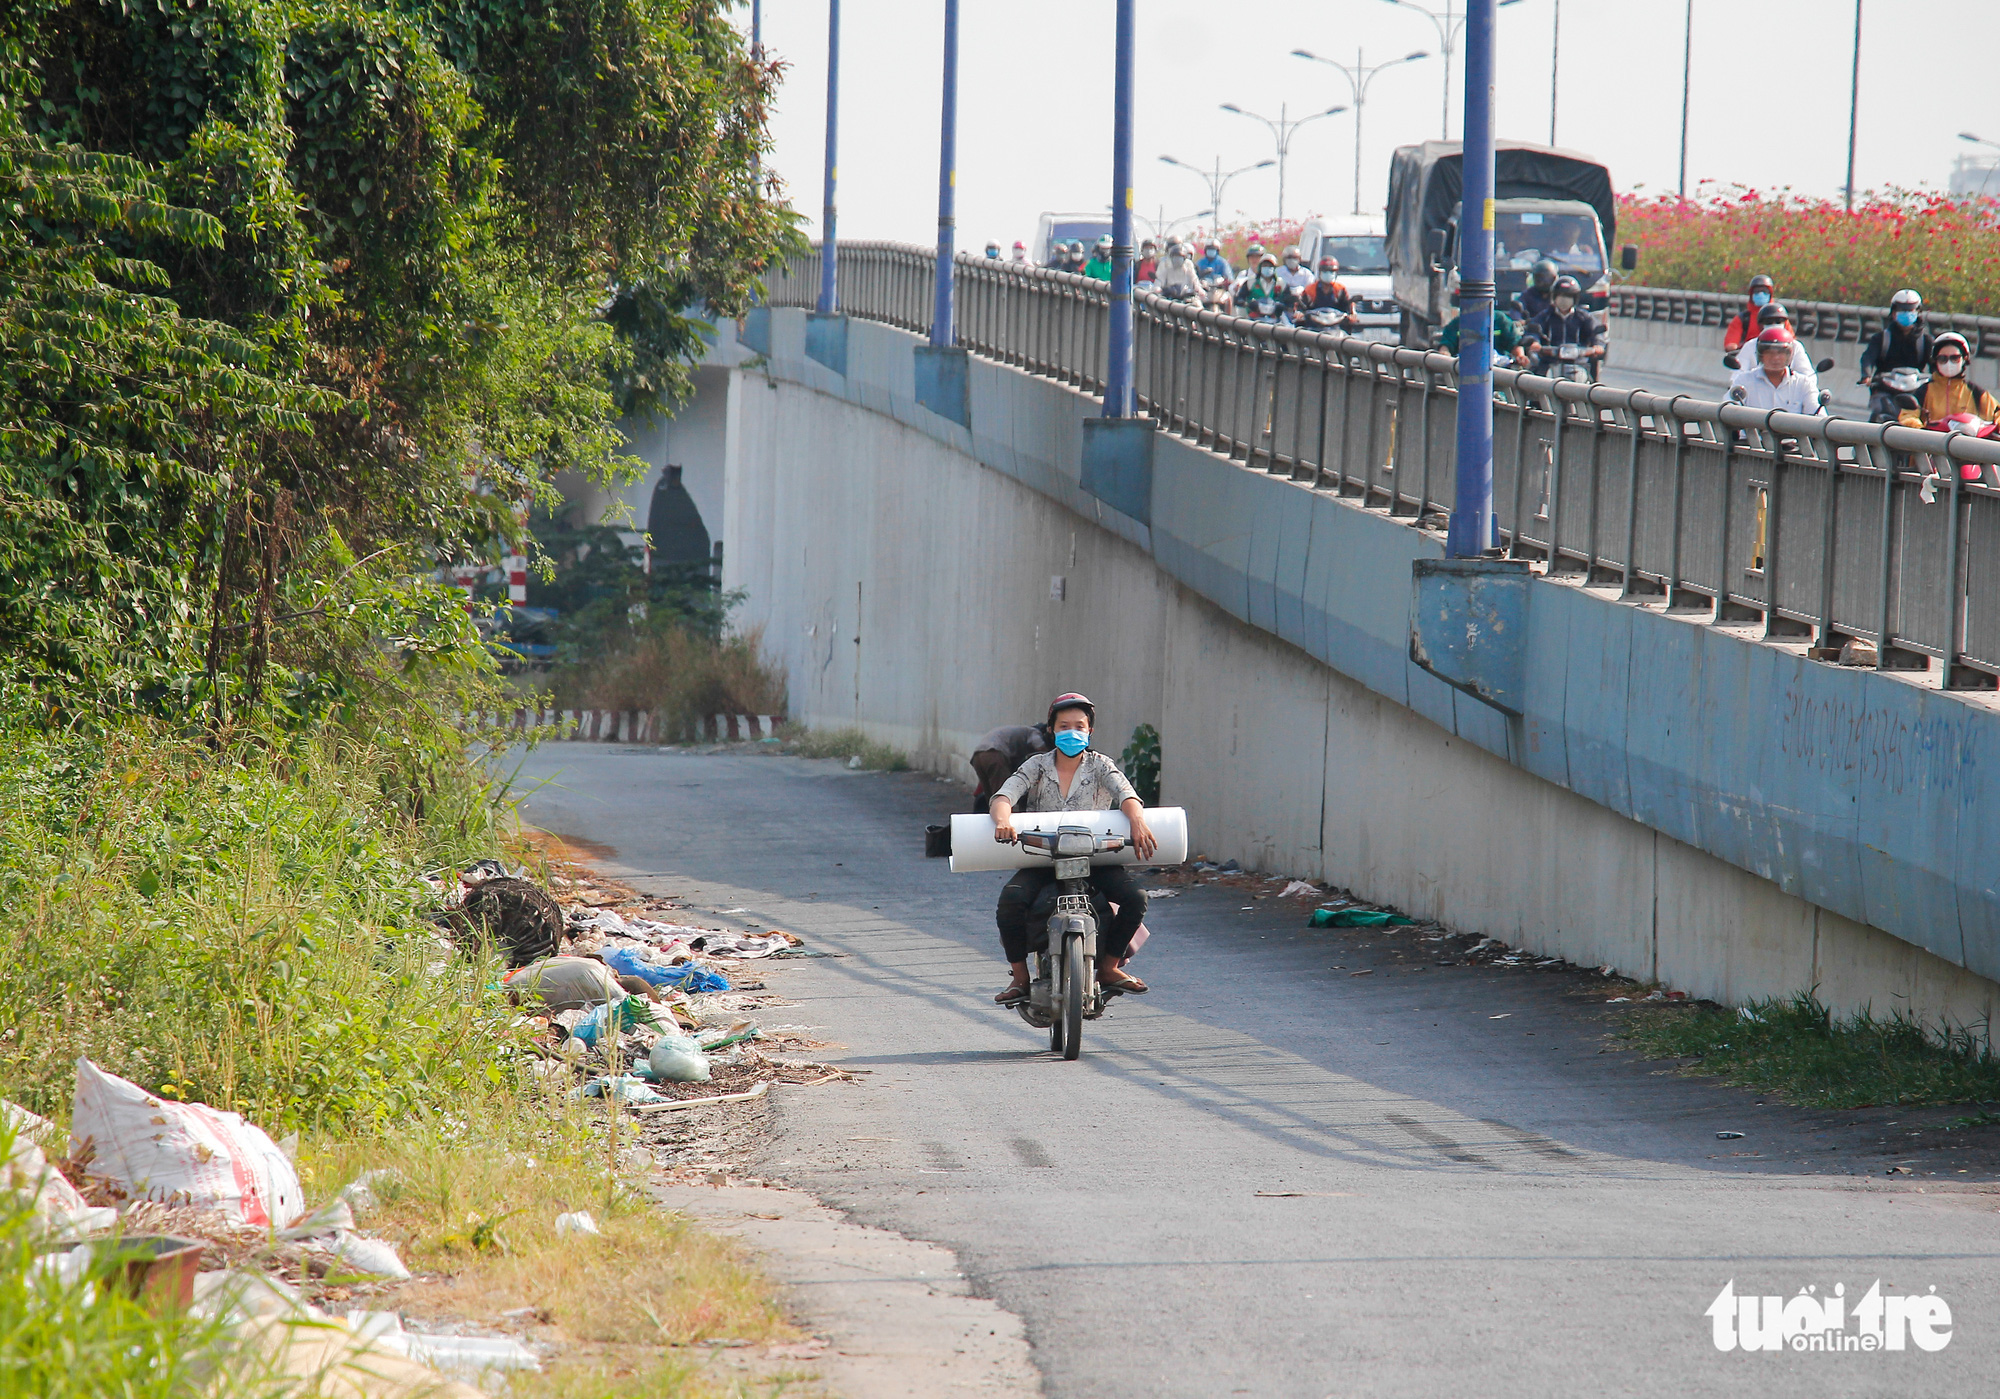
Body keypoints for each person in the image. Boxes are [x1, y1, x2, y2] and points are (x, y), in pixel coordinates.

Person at [989, 693, 1157, 1002]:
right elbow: (1003, 796)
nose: (1072, 732)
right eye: (1064, 726)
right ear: (1051, 729)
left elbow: (1126, 794)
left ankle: (1108, 967)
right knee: (1011, 900)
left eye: (1079, 726)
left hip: (1095, 858)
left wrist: (1138, 821)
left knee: (1136, 897)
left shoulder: (1100, 765)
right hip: (1042, 858)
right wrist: (1003, 820)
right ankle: (1021, 977)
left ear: (1090, 731)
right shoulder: (1036, 766)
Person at [1896, 332, 2000, 429]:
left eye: (1955, 358)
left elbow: (1997, 413)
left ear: (1964, 359)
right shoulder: (1924, 391)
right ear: (1935, 361)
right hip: (1931, 445)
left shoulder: (1976, 393)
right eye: (1942, 359)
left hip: (1968, 445)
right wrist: (1919, 427)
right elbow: (1907, 416)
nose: (1949, 363)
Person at [1860, 289, 1934, 419]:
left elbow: (1935, 363)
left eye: (1911, 311)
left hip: (1916, 390)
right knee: (1878, 413)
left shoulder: (1926, 341)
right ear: (1893, 314)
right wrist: (1866, 375)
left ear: (1918, 313)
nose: (1907, 314)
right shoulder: (1881, 338)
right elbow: (1868, 357)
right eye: (1902, 311)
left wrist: (1938, 378)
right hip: (1886, 389)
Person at [1730, 326, 1823, 416]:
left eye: (1781, 353)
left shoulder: (1804, 384)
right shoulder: (1743, 381)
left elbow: (1819, 417)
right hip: (1752, 432)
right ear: (1760, 354)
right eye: (1769, 353)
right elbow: (1728, 411)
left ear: (1789, 355)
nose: (1775, 358)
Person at [969, 721, 1051, 811]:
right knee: (1003, 794)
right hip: (994, 753)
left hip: (977, 756)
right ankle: (1005, 820)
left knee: (990, 796)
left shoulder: (1019, 731)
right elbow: (1040, 747)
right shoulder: (1034, 732)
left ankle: (993, 818)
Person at [1527, 275, 1602, 372]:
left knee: (1592, 382)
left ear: (1575, 298)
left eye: (1568, 296)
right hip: (1549, 364)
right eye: (1561, 295)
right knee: (1535, 381)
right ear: (1554, 296)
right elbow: (1533, 329)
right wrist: (1534, 342)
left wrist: (1597, 344)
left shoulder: (1584, 317)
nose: (1564, 299)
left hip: (1579, 364)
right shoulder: (1545, 316)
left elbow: (1596, 332)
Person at [1294, 257, 1358, 330]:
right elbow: (1301, 305)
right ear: (1320, 272)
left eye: (1332, 271)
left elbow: (1347, 305)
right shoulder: (1310, 289)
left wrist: (1352, 315)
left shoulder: (1340, 289)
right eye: (1325, 271)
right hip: (1313, 327)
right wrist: (1299, 313)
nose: (1328, 274)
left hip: (1336, 327)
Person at [1723, 275, 1777, 353]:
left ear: (1770, 294)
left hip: (1775, 358)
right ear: (1751, 294)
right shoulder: (1742, 319)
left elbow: (1791, 340)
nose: (1761, 294)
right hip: (1750, 359)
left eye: (1765, 291)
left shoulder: (1779, 317)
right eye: (1757, 291)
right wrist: (1733, 347)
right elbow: (1731, 343)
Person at [1237, 255, 1292, 322]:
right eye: (1265, 265)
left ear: (1274, 268)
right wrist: (1249, 304)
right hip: (1252, 319)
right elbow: (1239, 298)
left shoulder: (1281, 284)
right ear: (1260, 267)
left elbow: (1289, 302)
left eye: (1270, 266)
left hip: (1275, 319)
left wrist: (1281, 306)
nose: (1267, 268)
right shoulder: (1250, 282)